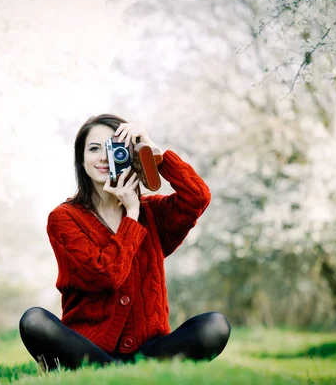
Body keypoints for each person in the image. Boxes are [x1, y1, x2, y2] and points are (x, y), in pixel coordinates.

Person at [18, 114, 230, 371]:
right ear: (81, 159)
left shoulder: (152, 213)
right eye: (94, 148)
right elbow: (106, 275)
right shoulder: (64, 218)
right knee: (33, 321)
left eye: (113, 147)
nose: (105, 157)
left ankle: (114, 373)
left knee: (214, 325)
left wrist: (153, 153)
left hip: (150, 347)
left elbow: (198, 197)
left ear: (129, 154)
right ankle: (121, 372)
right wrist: (131, 215)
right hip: (89, 346)